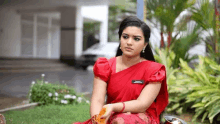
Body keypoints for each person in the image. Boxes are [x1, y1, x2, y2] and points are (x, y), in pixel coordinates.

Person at [73, 16, 168, 124]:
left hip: (141, 117)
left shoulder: (154, 70)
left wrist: (113, 107)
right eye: (125, 37)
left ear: (145, 44)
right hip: (110, 115)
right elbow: (97, 100)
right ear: (120, 39)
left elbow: (142, 104)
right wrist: (97, 119)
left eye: (136, 39)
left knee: (121, 121)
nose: (129, 42)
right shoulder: (105, 66)